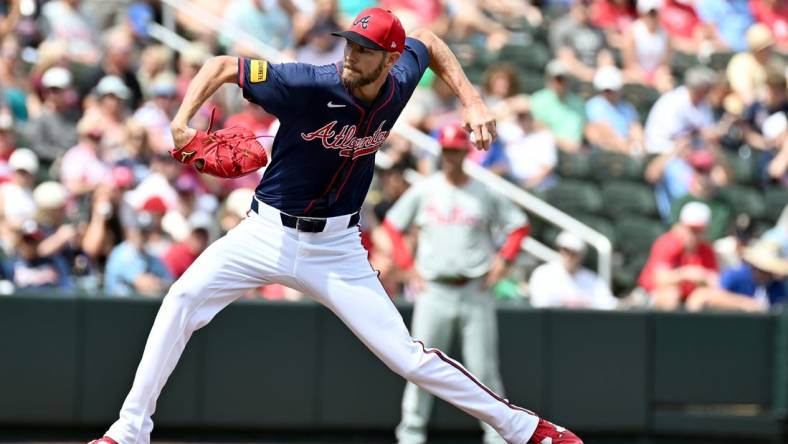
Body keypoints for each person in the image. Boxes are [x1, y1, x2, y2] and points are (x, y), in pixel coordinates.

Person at [88, 8, 581, 444]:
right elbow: (220, 66)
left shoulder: (402, 76)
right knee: (181, 299)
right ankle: (129, 430)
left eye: (365, 49)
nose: (351, 54)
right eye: (350, 42)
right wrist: (182, 120)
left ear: (389, 60)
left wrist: (471, 99)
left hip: (337, 248)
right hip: (265, 234)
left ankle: (527, 430)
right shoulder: (306, 82)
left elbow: (427, 39)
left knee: (407, 358)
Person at [381, 123, 530, 444]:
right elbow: (392, 226)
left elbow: (518, 226)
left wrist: (503, 262)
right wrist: (407, 265)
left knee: (484, 371)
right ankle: (411, 435)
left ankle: (496, 437)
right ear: (441, 152)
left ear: (466, 152)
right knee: (420, 368)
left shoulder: (484, 191)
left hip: (475, 289)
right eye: (446, 151)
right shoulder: (425, 189)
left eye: (456, 150)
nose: (451, 157)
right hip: (434, 289)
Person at [638, 201, 719, 309]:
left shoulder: (706, 250)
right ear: (681, 226)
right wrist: (687, 273)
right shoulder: (667, 243)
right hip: (651, 296)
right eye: (691, 229)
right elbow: (659, 279)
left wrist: (705, 278)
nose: (694, 234)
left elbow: (716, 282)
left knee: (705, 296)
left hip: (689, 301)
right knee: (671, 295)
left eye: (699, 230)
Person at [685, 240, 787, 311]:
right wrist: (746, 304)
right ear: (754, 266)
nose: (766, 274)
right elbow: (701, 297)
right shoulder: (735, 276)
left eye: (770, 271)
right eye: (763, 270)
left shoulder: (777, 286)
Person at [529, 231, 617, 309]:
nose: (569, 256)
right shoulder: (543, 274)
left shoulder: (593, 280)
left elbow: (607, 305)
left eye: (574, 253)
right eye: (566, 251)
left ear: (581, 255)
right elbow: (539, 302)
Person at [584, 65, 644, 153]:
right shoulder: (593, 106)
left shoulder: (627, 108)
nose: (610, 94)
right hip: (604, 155)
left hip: (627, 152)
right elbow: (599, 135)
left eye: (613, 90)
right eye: (607, 91)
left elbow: (636, 130)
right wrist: (625, 148)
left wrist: (637, 145)